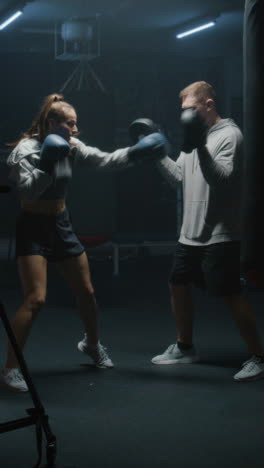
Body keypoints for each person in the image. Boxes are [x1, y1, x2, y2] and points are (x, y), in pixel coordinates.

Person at [0, 93, 166, 392]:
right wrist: (48, 162)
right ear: (52, 123)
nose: (76, 131)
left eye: (76, 124)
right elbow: (26, 193)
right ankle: (10, 369)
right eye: (70, 124)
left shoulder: (72, 147)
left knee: (87, 292)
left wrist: (136, 152)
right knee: (35, 299)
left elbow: (105, 161)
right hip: (33, 226)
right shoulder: (25, 150)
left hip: (61, 223)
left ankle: (91, 344)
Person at [151, 81, 264, 381]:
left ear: (209, 104)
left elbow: (223, 179)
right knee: (177, 283)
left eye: (191, 109)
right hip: (189, 231)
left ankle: (259, 357)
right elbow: (179, 178)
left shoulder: (230, 135)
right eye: (183, 111)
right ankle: (185, 346)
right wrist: (157, 155)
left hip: (220, 231)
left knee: (230, 293)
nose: (185, 116)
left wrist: (200, 145)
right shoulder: (194, 136)